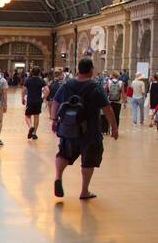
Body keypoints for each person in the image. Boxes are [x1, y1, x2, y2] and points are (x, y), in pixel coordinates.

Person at [50, 58, 117, 200]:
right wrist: (114, 127)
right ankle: (84, 191)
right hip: (90, 132)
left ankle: (58, 177)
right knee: (88, 160)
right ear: (91, 70)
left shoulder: (67, 85)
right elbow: (107, 109)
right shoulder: (95, 87)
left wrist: (54, 120)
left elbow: (55, 102)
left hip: (69, 129)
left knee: (63, 154)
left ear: (78, 70)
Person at [22, 66, 46, 140]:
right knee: (36, 116)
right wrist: (43, 98)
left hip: (30, 101)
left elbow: (23, 90)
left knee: (27, 115)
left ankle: (30, 127)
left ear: (32, 72)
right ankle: (34, 133)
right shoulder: (41, 80)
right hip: (38, 101)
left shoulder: (28, 80)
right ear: (39, 73)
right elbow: (47, 90)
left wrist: (22, 98)